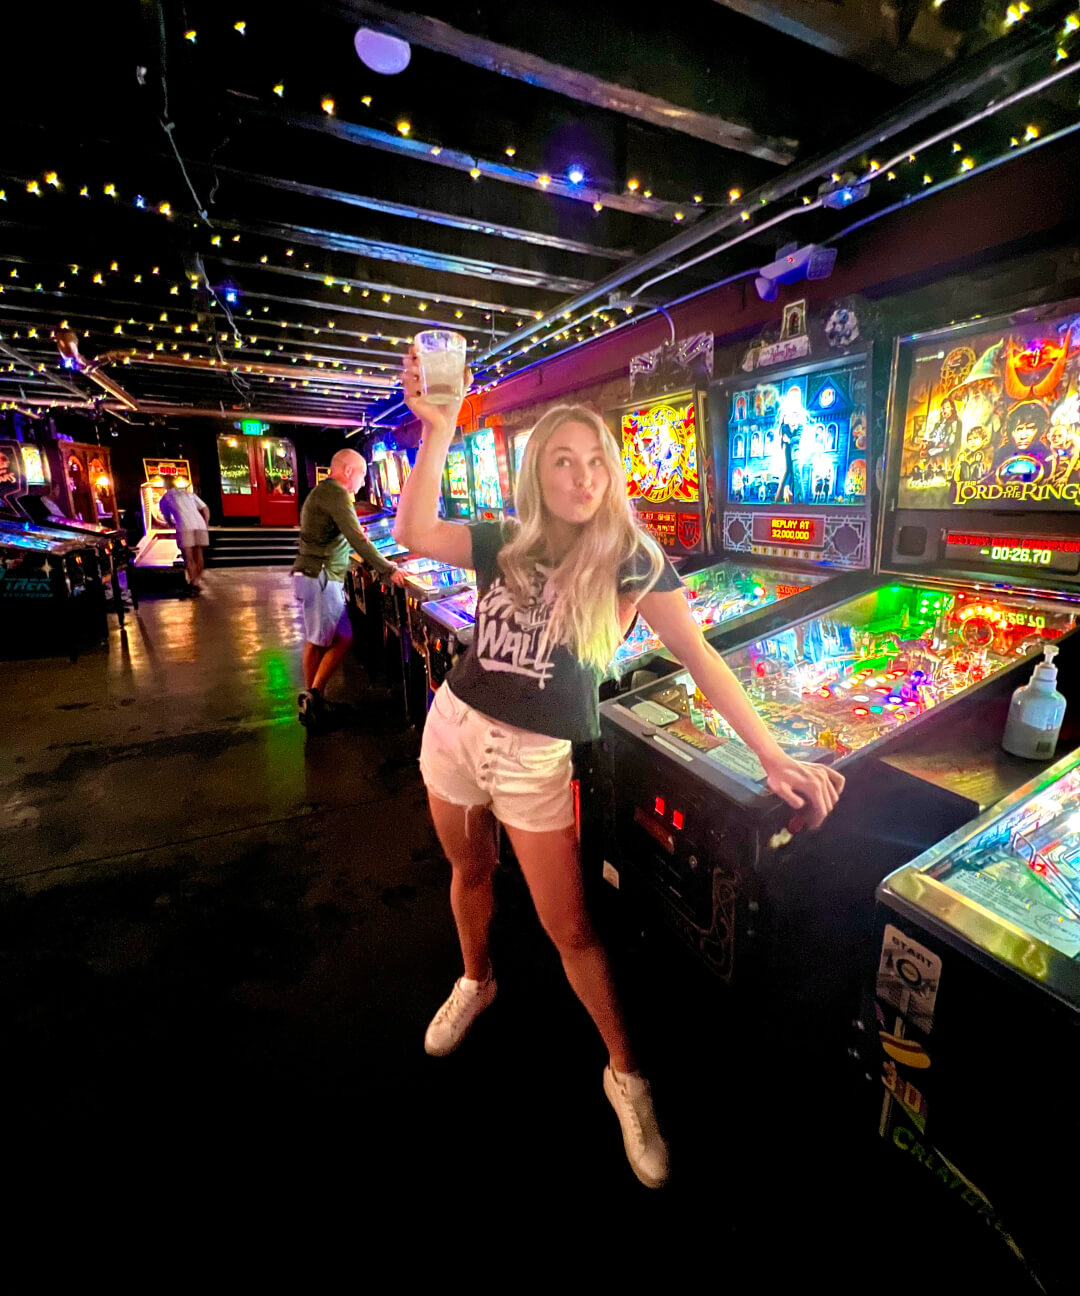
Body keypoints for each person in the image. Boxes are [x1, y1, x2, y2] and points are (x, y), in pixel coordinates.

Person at [395, 348, 845, 1189]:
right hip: (454, 727)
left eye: (596, 460)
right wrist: (440, 429)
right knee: (468, 869)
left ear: (613, 470)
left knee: (570, 928)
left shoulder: (632, 556)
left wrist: (772, 752)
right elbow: (413, 533)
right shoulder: (505, 540)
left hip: (533, 758)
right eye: (563, 461)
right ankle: (476, 979)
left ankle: (625, 1074)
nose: (583, 475)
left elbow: (699, 654)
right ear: (538, 474)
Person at [291, 448, 406, 728]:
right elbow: (358, 540)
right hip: (320, 576)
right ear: (348, 471)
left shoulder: (322, 492)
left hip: (315, 575)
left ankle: (314, 698)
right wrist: (389, 569)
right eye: (363, 475)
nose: (364, 482)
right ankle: (313, 699)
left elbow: (341, 532)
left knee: (331, 637)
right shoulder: (337, 494)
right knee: (330, 639)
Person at [158, 481, 211, 595]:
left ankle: (193, 584)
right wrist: (206, 523)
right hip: (200, 525)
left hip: (184, 526)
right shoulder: (189, 494)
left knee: (189, 558)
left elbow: (166, 517)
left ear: (165, 487)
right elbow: (205, 508)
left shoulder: (165, 499)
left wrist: (171, 523)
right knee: (199, 555)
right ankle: (196, 581)